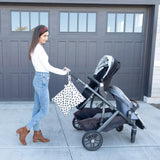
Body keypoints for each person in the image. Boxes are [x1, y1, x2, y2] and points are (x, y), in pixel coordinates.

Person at [16, 25, 70, 145]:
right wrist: (63, 72)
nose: (46, 38)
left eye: (47, 36)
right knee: (44, 110)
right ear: (38, 36)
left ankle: (37, 133)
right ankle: (25, 129)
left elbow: (44, 66)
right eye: (44, 36)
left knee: (37, 108)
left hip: (39, 79)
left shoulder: (35, 47)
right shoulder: (39, 49)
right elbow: (48, 67)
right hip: (42, 80)